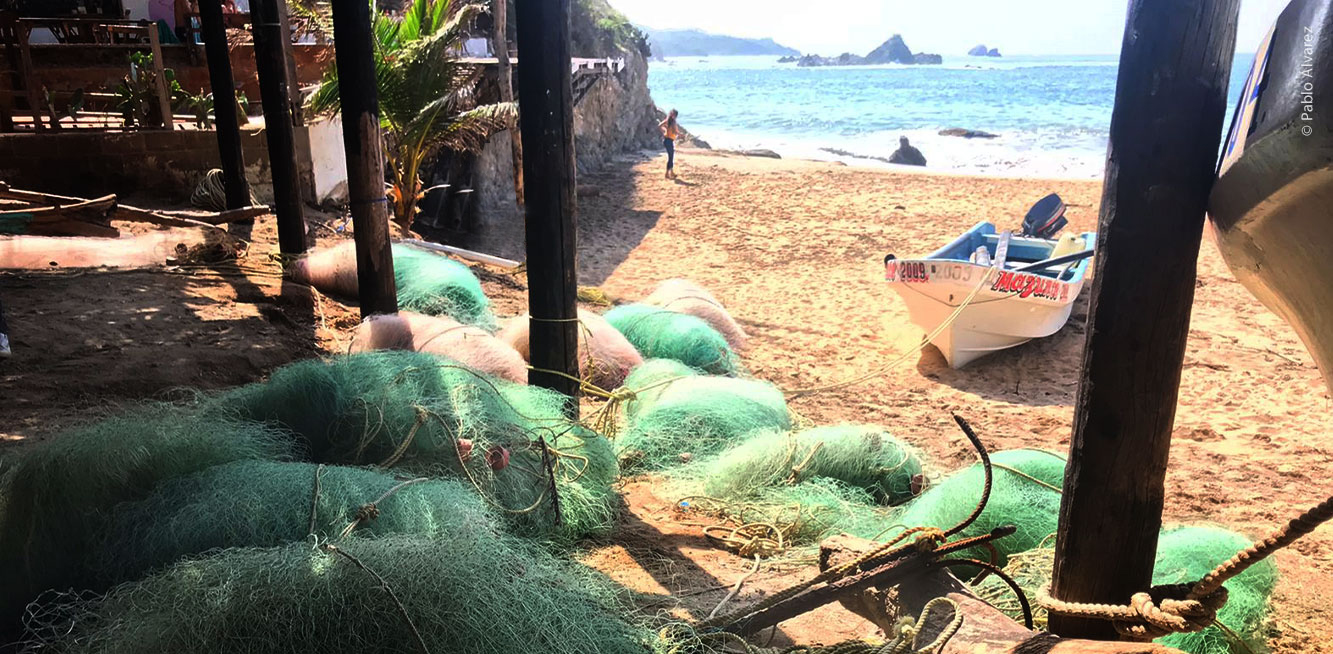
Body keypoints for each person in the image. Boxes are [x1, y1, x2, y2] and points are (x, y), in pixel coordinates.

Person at [659, 109, 680, 179]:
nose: (674, 116)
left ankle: (671, 172)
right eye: (674, 115)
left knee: (671, 157)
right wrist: (680, 135)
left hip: (667, 140)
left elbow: (659, 126)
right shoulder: (672, 122)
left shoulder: (667, 120)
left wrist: (664, 131)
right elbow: (674, 131)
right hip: (669, 141)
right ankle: (667, 173)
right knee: (671, 157)